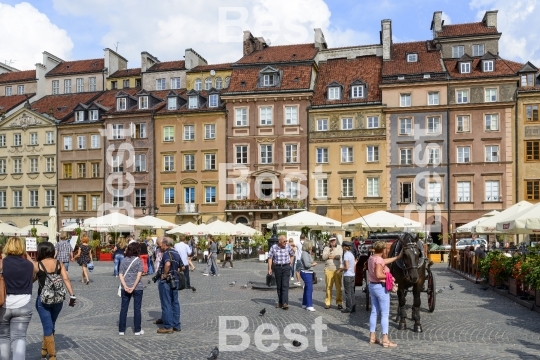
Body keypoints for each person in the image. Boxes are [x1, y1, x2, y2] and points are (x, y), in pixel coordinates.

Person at [35, 242, 76, 359]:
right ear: (52, 251)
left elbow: (31, 279)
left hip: (43, 300)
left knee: (47, 325)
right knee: (51, 323)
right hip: (58, 299)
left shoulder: (38, 265)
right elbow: (66, 279)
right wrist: (72, 295)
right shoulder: (59, 263)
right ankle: (44, 348)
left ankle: (52, 355)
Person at [0, 237, 37, 360]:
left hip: (3, 304)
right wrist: (26, 254)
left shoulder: (2, 263)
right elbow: (37, 269)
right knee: (19, 337)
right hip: (23, 304)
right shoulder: (28, 265)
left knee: (3, 337)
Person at [368, 240, 402, 347]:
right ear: (383, 250)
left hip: (372, 286)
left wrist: (397, 257)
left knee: (374, 312)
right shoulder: (379, 260)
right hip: (380, 288)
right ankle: (385, 339)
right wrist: (389, 276)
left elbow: (383, 261)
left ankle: (372, 337)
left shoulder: (372, 258)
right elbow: (378, 274)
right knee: (385, 314)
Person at [156, 237, 183, 333]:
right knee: (175, 302)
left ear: (165, 244)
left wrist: (165, 274)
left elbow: (167, 264)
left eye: (162, 245)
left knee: (166, 303)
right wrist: (175, 272)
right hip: (175, 280)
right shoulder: (176, 253)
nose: (161, 247)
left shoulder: (167, 253)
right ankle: (176, 325)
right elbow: (182, 266)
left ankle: (168, 327)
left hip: (167, 281)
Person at [118, 242, 144, 336]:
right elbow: (139, 274)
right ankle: (137, 330)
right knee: (137, 308)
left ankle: (121, 330)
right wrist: (133, 286)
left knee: (124, 308)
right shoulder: (139, 260)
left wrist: (125, 286)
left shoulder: (124, 260)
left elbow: (120, 274)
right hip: (137, 287)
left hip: (125, 286)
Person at [267, 235, 295, 310]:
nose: (286, 242)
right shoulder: (274, 247)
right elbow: (270, 258)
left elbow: (292, 255)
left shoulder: (288, 247)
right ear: (279, 241)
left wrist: (290, 263)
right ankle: (280, 302)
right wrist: (270, 268)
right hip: (277, 267)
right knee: (279, 286)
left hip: (286, 267)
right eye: (284, 241)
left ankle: (285, 303)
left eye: (286, 241)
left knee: (285, 285)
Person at [322, 236, 343, 310]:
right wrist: (329, 253)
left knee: (338, 287)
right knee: (328, 286)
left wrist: (332, 257)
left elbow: (339, 256)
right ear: (329, 241)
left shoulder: (339, 247)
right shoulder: (326, 248)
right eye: (331, 241)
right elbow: (324, 257)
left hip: (337, 269)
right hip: (328, 269)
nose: (332, 242)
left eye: (333, 241)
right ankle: (328, 302)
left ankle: (339, 302)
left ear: (336, 240)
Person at [338, 241, 356, 313]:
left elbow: (346, 267)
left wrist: (340, 270)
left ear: (344, 247)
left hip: (347, 275)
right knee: (352, 292)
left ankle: (348, 308)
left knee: (347, 293)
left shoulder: (346, 255)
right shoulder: (351, 254)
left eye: (342, 246)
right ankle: (353, 307)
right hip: (352, 275)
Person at [300, 241, 317, 311]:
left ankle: (304, 303)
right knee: (309, 288)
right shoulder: (304, 253)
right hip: (306, 272)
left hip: (308, 272)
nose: (311, 247)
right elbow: (307, 264)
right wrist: (313, 264)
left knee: (307, 288)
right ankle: (309, 305)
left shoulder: (307, 253)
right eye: (310, 246)